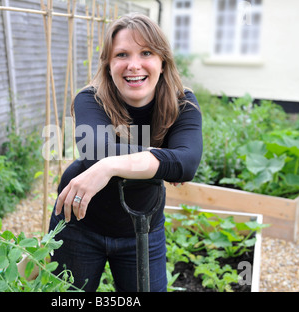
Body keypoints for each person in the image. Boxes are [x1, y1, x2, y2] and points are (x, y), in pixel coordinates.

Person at [48, 13, 202, 292]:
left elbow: (188, 162)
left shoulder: (183, 104)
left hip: (144, 226)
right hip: (79, 224)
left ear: (162, 61)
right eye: (121, 54)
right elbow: (96, 150)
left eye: (146, 52)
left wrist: (109, 166)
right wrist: (162, 156)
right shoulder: (90, 98)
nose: (134, 65)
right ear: (108, 64)